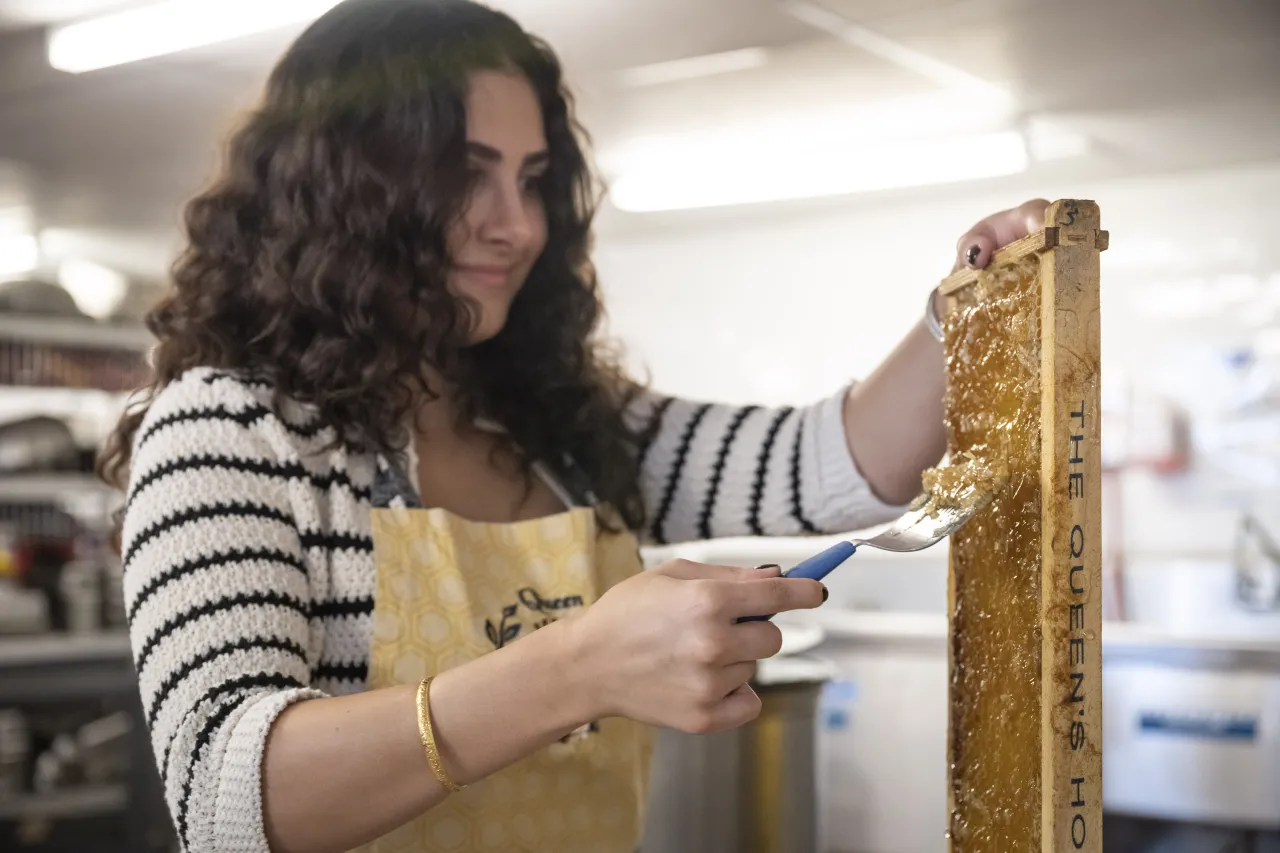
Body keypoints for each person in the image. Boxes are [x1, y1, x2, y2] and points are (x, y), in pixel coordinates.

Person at [98, 1, 1050, 851]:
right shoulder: (228, 428)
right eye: (466, 176)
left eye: (533, 178)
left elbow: (831, 466)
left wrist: (964, 309)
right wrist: (576, 667)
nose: (516, 224)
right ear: (342, 189)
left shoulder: (560, 425)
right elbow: (225, 801)